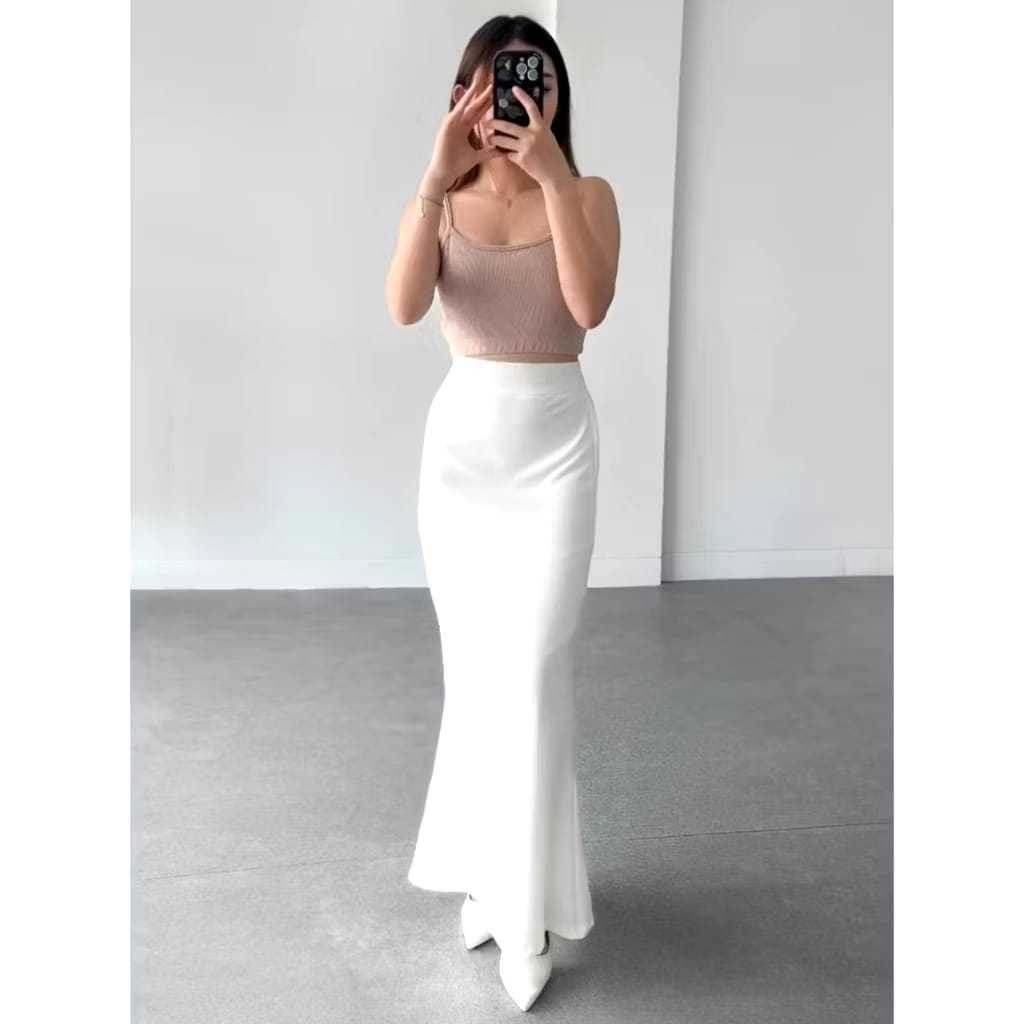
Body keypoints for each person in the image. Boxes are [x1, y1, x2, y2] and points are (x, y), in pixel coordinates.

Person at [385, 14, 620, 1013]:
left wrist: (554, 176)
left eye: (529, 81)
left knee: (533, 676)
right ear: (462, 95)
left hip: (554, 455)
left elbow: (589, 306)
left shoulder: (589, 194)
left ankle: (528, 914)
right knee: (479, 682)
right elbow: (403, 306)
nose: (511, 97)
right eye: (491, 82)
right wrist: (434, 177)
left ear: (554, 95)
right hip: (461, 465)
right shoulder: (441, 200)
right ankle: (490, 882)